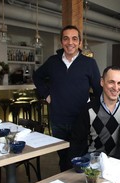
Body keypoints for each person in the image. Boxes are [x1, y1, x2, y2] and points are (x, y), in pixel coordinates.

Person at [33, 25, 102, 172]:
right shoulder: (53, 61)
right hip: (58, 120)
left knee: (78, 159)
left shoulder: (89, 63)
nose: (70, 42)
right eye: (66, 38)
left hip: (80, 120)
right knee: (63, 158)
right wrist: (46, 95)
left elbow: (98, 90)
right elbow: (37, 76)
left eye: (74, 38)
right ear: (61, 42)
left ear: (80, 43)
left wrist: (95, 111)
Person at [69, 66, 120, 160]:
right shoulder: (89, 109)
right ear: (102, 82)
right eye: (111, 82)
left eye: (119, 83)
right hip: (96, 162)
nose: (116, 87)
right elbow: (77, 141)